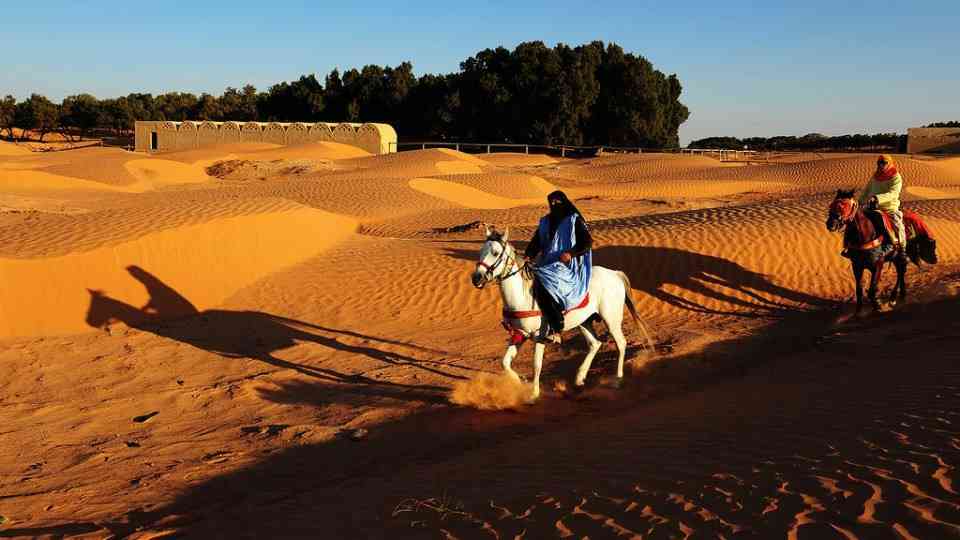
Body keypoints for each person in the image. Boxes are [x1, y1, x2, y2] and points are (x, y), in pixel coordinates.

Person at [523, 191, 593, 343]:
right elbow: (536, 242)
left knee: (544, 287)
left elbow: (587, 243)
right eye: (551, 202)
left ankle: (556, 328)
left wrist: (571, 253)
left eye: (557, 202)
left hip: (566, 266)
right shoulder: (546, 222)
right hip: (546, 264)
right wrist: (529, 254)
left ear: (564, 202)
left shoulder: (574, 220)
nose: (554, 205)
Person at [858, 154, 906, 253]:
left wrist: (877, 198)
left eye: (884, 163)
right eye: (879, 162)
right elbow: (867, 190)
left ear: (890, 163)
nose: (881, 165)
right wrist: (860, 200)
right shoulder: (875, 176)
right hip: (872, 206)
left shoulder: (896, 177)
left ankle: (902, 250)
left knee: (898, 225)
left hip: (889, 208)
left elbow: (893, 193)